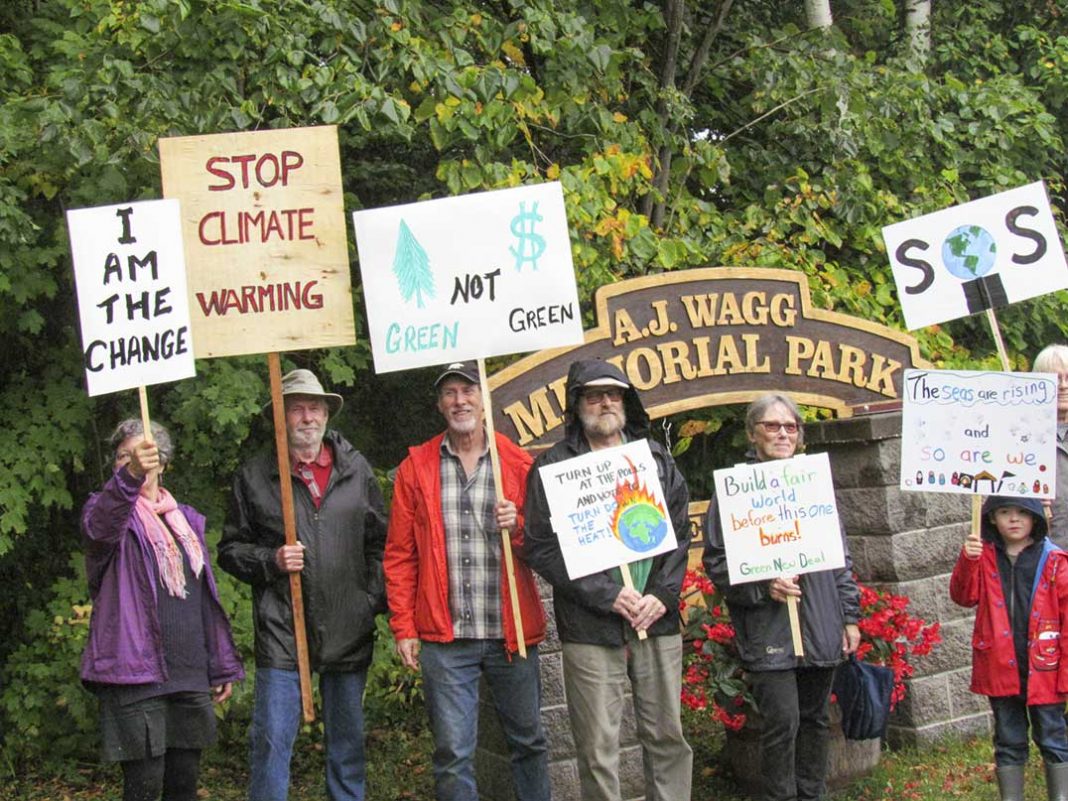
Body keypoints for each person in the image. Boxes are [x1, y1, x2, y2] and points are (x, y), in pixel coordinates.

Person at [524, 359, 693, 801]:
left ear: (626, 401)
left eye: (613, 394)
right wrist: (606, 595)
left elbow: (680, 531)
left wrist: (663, 594)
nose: (605, 403)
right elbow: (540, 546)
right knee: (598, 747)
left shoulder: (655, 459)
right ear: (577, 404)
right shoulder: (553, 467)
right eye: (594, 395)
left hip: (656, 620)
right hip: (591, 626)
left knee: (667, 736)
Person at [384, 361, 550, 801]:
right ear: (440, 405)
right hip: (446, 638)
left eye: (468, 391)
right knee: (453, 753)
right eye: (450, 393)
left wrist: (519, 526)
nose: (460, 401)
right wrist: (404, 626)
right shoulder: (416, 468)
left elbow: (545, 546)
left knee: (529, 742)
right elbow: (400, 555)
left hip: (510, 633)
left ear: (484, 400)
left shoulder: (517, 464)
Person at [219, 369, 387, 801]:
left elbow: (381, 544)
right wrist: (271, 560)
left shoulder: (356, 469)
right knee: (271, 741)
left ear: (327, 415)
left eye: (315, 408)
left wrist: (367, 599)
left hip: (348, 626)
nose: (307, 417)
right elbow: (230, 549)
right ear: (280, 418)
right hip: (282, 630)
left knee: (347, 746)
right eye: (296, 409)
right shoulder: (255, 476)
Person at [702, 393, 860, 801]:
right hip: (768, 629)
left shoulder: (814, 485)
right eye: (772, 426)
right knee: (782, 722)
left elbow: (840, 558)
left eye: (790, 426)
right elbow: (717, 562)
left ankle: (812, 795)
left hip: (819, 622)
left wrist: (849, 616)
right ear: (752, 433)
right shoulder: (734, 492)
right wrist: (762, 586)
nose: (782, 434)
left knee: (815, 720)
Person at [81, 420, 244, 801]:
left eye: (142, 453)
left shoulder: (186, 520)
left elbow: (203, 596)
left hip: (188, 671)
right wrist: (131, 476)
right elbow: (100, 528)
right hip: (135, 673)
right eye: (123, 456)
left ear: (164, 462)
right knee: (144, 786)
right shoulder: (105, 513)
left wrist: (219, 662)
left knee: (183, 785)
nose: (132, 461)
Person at [951, 496, 1068, 801]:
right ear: (991, 518)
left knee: (1052, 736)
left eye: (1022, 512)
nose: (1014, 519)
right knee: (1008, 738)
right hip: (1001, 668)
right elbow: (963, 596)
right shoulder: (983, 557)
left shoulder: (1055, 561)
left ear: (1035, 517)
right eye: (1004, 512)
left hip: (1046, 670)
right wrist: (968, 560)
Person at [1033, 344, 1068, 548]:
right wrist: (1028, 502)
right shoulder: (1022, 437)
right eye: (1055, 378)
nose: (1063, 385)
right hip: (1044, 553)